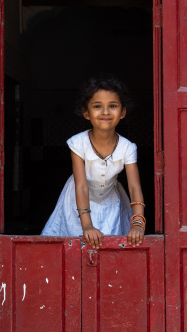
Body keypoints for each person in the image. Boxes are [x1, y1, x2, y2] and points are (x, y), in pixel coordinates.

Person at [41, 76, 146, 247]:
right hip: (77, 201)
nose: (105, 112)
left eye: (113, 106)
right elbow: (81, 186)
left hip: (111, 202)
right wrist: (87, 225)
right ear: (86, 113)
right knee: (75, 248)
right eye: (97, 106)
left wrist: (138, 224)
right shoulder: (78, 143)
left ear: (123, 112)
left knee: (110, 248)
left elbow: (134, 187)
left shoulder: (128, 148)